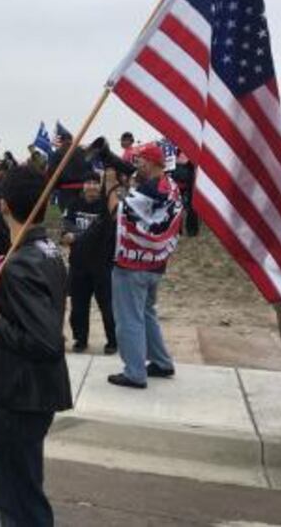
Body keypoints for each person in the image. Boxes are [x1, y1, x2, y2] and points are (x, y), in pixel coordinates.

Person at [0, 165, 73, 527]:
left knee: (18, 499)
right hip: (32, 393)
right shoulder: (46, 249)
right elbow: (36, 312)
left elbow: (46, 342)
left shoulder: (23, 262)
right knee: (26, 487)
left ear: (5, 207)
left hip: (20, 393)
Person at [107, 143, 182, 389]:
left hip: (132, 263)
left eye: (139, 161)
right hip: (155, 262)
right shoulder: (169, 186)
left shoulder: (149, 189)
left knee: (129, 317)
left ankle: (134, 372)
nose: (135, 166)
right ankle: (161, 362)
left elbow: (118, 211)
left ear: (150, 163)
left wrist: (110, 184)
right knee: (147, 313)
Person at [61, 171, 116, 354]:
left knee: (107, 306)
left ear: (99, 185)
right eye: (88, 182)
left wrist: (76, 236)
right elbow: (66, 226)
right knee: (78, 307)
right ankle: (80, 339)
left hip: (102, 265)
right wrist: (67, 236)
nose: (91, 186)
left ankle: (112, 341)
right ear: (83, 185)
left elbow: (101, 231)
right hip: (78, 264)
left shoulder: (105, 206)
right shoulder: (74, 204)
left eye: (95, 182)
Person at [46, 132, 89, 213]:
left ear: (61, 141)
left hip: (65, 192)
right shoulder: (82, 152)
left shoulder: (57, 154)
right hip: (83, 190)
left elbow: (51, 173)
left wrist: (55, 187)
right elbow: (90, 169)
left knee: (67, 218)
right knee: (82, 215)